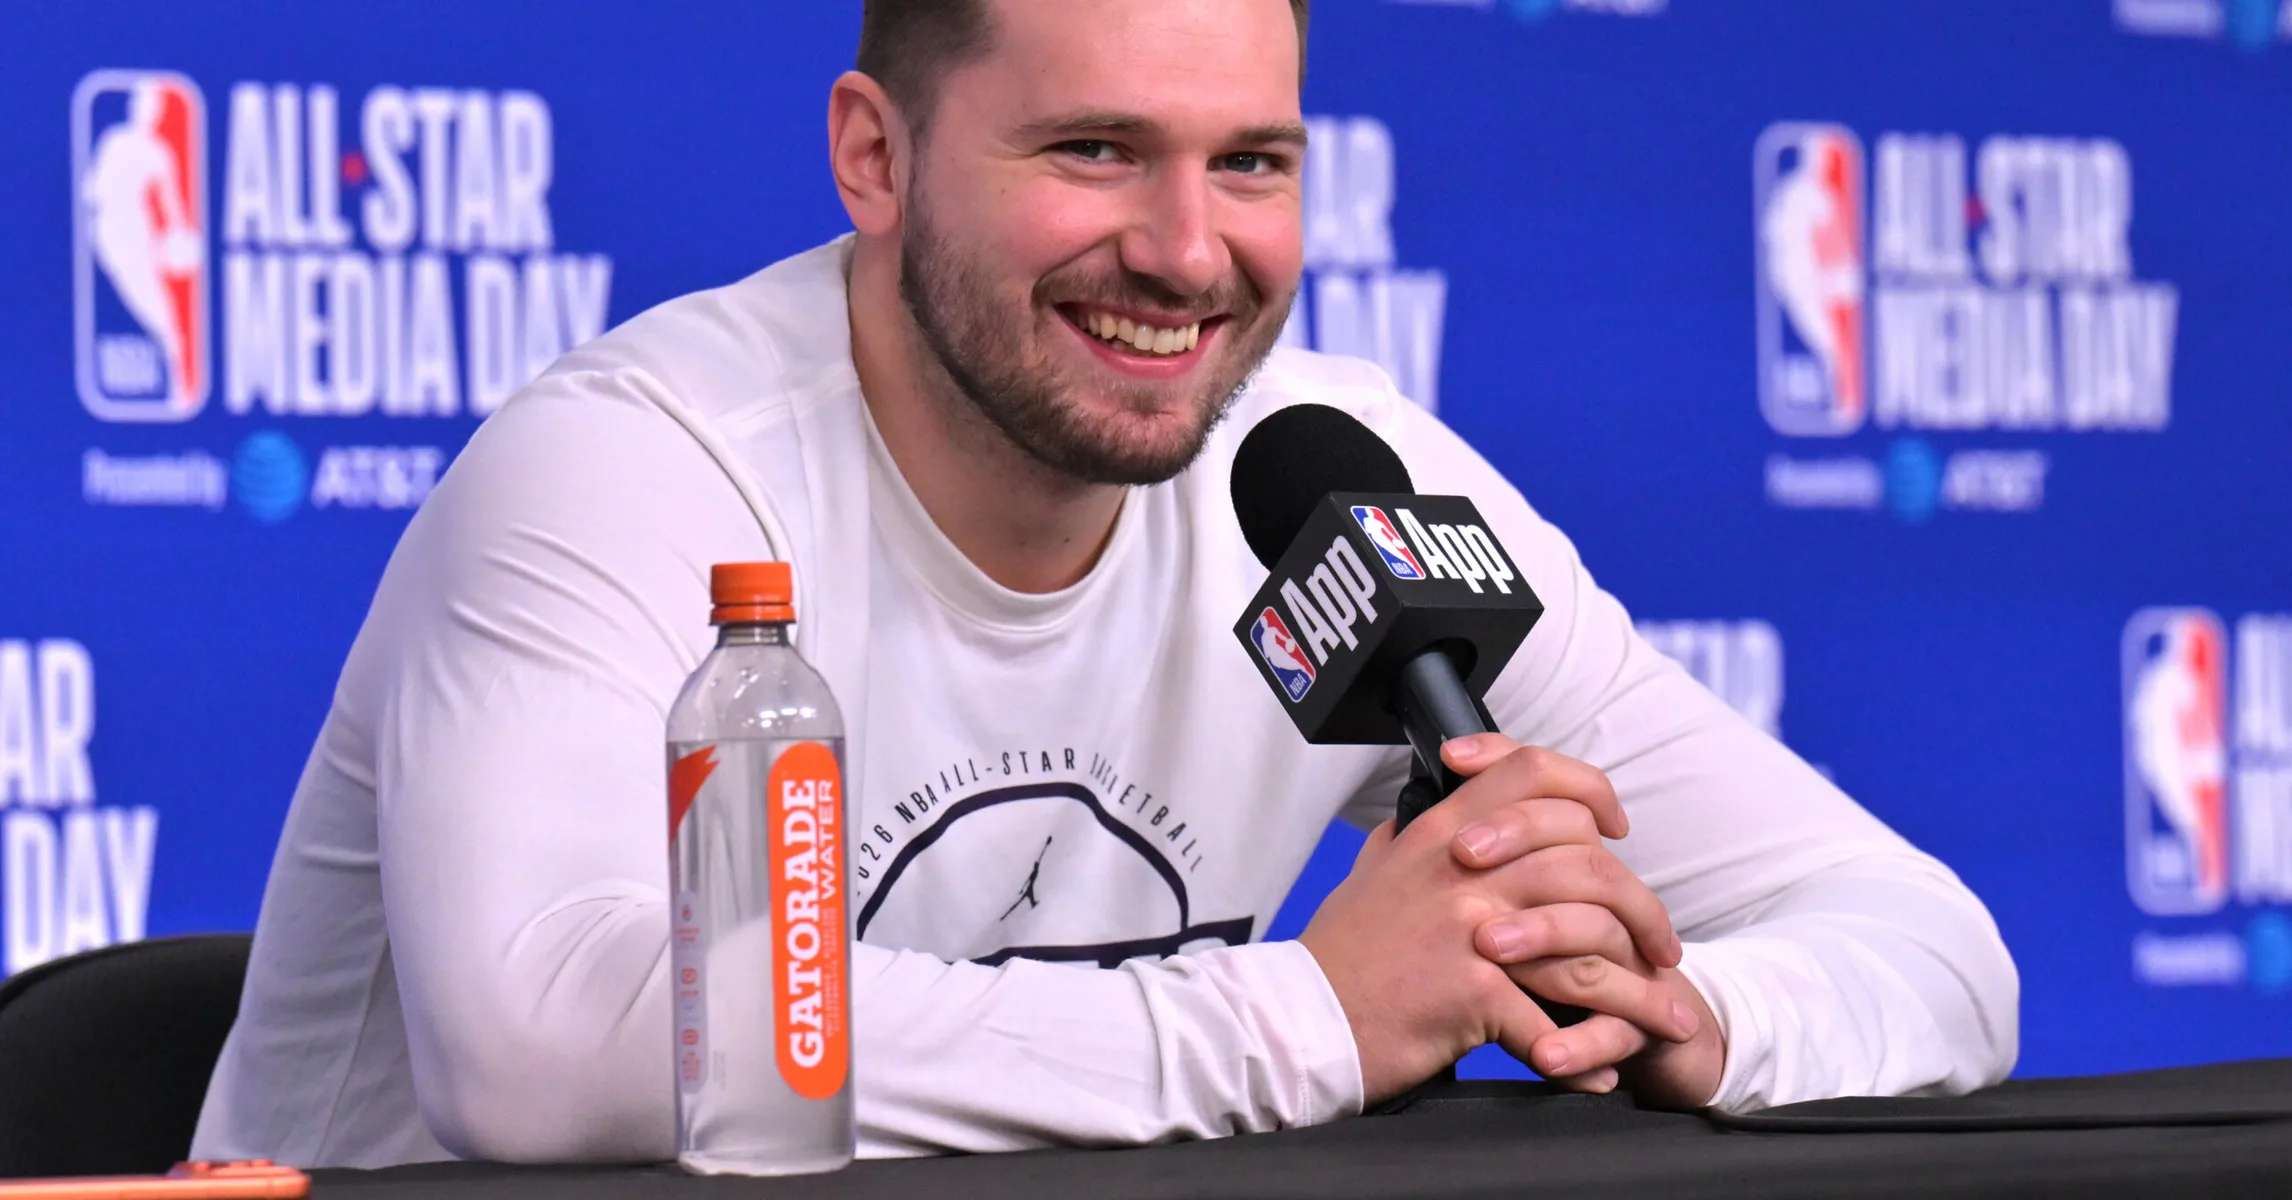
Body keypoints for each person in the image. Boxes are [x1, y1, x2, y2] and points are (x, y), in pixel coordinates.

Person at [193, 0, 2017, 1167]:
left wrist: (1699, 1017)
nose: (1185, 249)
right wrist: (1306, 1017)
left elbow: (1929, 943)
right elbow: (537, 1043)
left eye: (1253, 164)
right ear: (874, 157)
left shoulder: (1342, 487)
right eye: (1094, 152)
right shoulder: (635, 461)